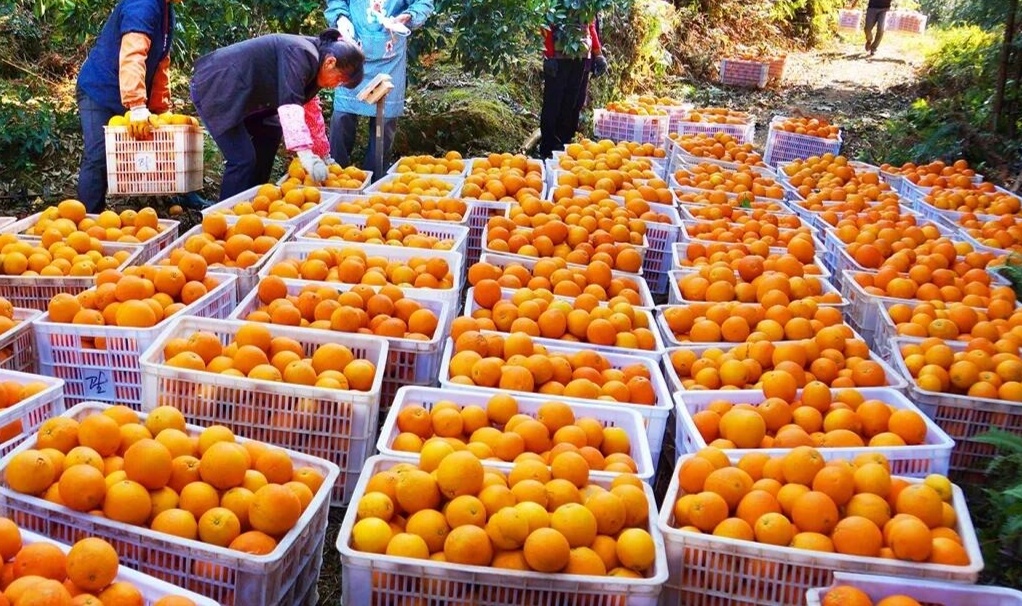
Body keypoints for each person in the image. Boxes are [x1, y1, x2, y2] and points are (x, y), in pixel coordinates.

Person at [190, 30, 365, 200]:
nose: (336, 85)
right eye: (340, 80)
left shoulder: (316, 69)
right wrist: (305, 156)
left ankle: (255, 199)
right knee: (242, 158)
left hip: (247, 97)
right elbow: (291, 105)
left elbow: (310, 113)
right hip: (218, 87)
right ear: (330, 63)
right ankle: (225, 213)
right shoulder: (301, 53)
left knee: (271, 130)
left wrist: (323, 155)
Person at [76, 0, 179, 213]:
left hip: (124, 92)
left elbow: (161, 62)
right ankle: (86, 220)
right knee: (98, 157)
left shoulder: (167, 11)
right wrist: (137, 104)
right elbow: (133, 55)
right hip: (100, 89)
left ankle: (108, 219)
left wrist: (160, 108)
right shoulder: (143, 5)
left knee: (135, 154)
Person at [325, 0, 435, 178]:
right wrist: (341, 17)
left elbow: (423, 2)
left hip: (389, 51)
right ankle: (334, 179)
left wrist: (407, 16)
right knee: (342, 116)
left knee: (384, 121)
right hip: (353, 45)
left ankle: (375, 183)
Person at [539, 17, 609, 159]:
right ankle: (547, 148)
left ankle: (563, 145)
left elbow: (590, 25)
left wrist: (598, 53)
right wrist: (549, 55)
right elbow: (546, 22)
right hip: (558, 57)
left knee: (572, 102)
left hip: (580, 56)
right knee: (553, 103)